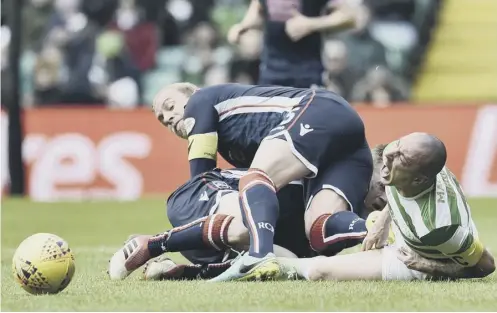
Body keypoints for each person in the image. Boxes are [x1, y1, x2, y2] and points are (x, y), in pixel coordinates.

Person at [149, 82, 375, 282]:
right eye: (162, 121)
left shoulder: (200, 100)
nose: (168, 118)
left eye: (170, 106)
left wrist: (178, 238)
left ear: (193, 93)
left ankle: (260, 255)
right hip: (348, 138)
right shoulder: (237, 141)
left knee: (256, 179)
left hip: (319, 109)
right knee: (318, 229)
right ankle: (382, 228)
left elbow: (200, 181)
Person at [108, 144, 388, 280]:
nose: (383, 199)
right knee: (248, 224)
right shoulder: (330, 176)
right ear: (369, 168)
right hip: (205, 192)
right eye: (382, 187)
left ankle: (180, 272)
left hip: (215, 242)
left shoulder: (350, 220)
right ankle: (153, 243)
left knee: (289, 265)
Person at [275, 133, 496, 281]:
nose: (390, 155)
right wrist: (383, 219)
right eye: (397, 145)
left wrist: (429, 266)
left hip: (414, 257)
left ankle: (253, 264)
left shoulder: (441, 227)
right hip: (404, 229)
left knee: (318, 271)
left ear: (418, 180)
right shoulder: (413, 169)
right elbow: (402, 186)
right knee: (370, 222)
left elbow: (486, 266)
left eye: (402, 158)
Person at [227, 0, 357, 88]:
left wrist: (310, 24)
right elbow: (258, 10)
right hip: (270, 73)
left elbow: (349, 17)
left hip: (307, 74)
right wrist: (242, 27)